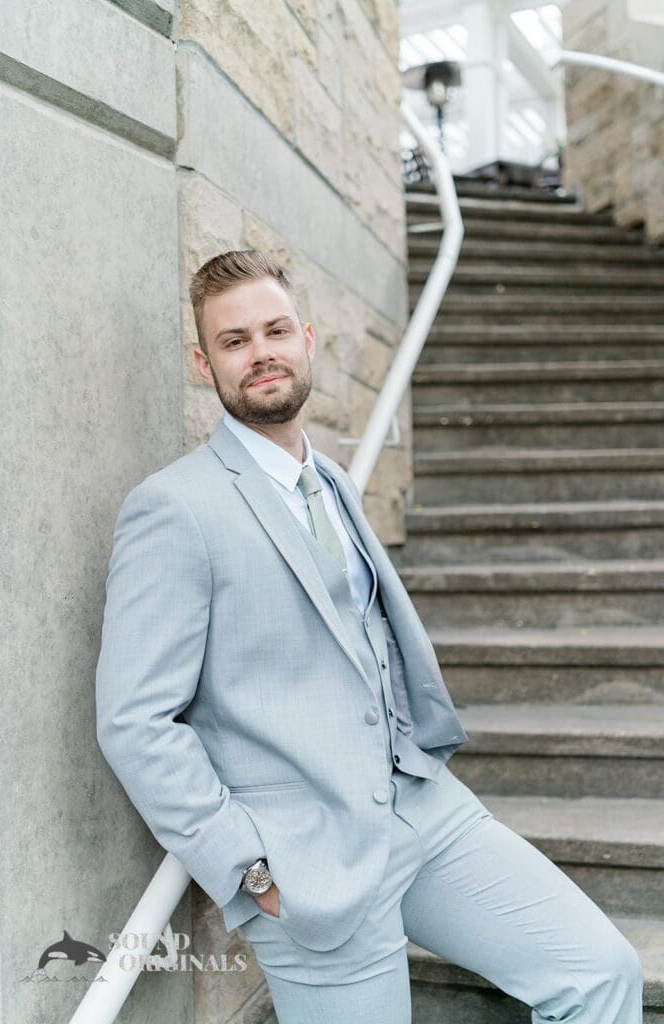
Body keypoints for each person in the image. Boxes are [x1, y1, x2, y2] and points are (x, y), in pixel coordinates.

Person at [95, 249, 643, 1023]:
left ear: (308, 339)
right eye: (235, 340)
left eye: (275, 330)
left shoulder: (335, 483)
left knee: (599, 974)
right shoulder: (174, 509)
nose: (262, 354)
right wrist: (251, 870)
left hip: (422, 807)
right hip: (303, 854)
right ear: (204, 361)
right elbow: (134, 720)